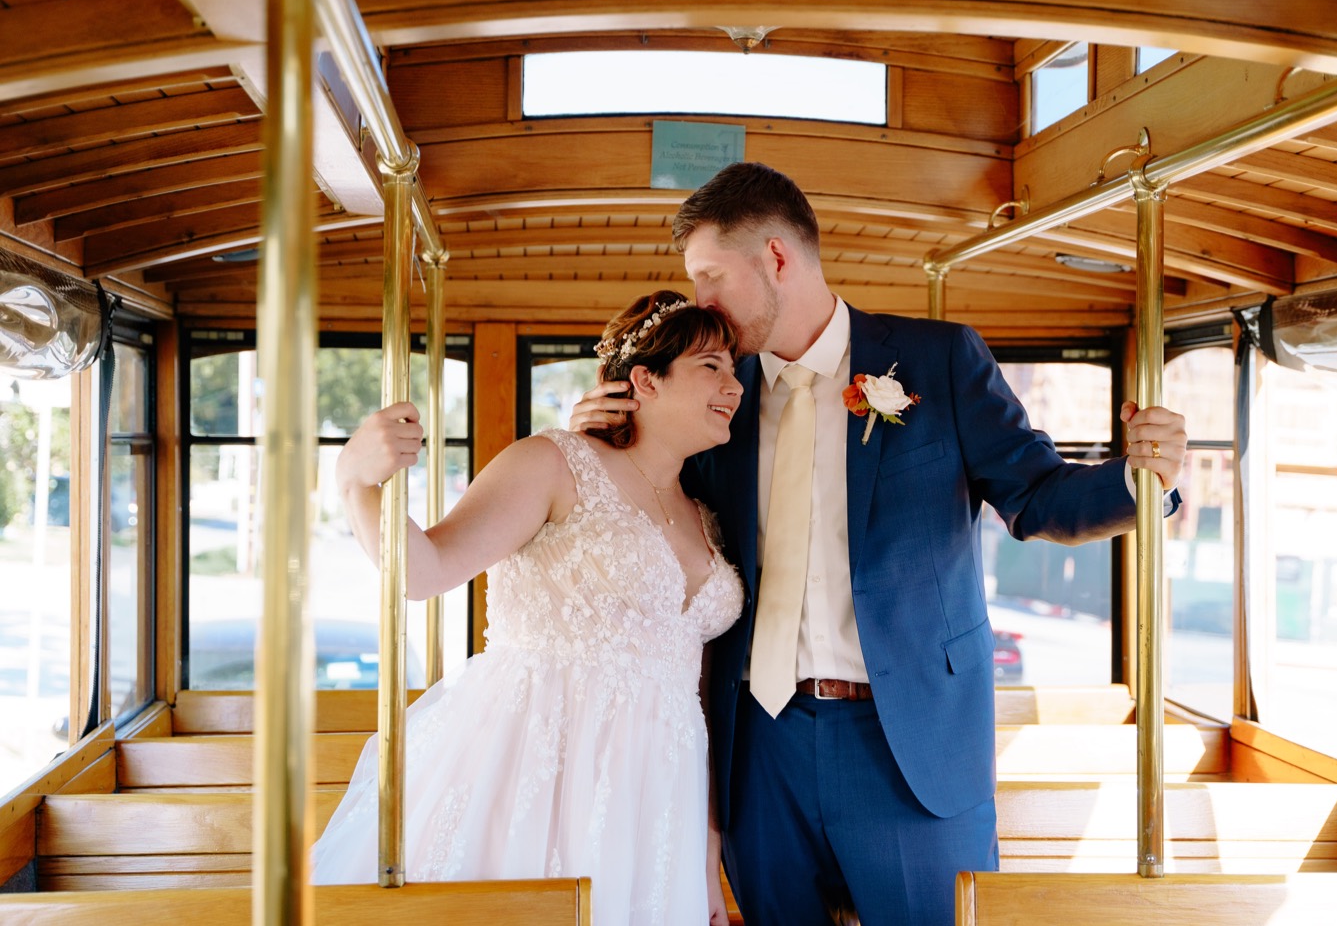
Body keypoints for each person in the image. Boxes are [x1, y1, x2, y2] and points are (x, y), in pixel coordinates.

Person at [569, 162, 1189, 925]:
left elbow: (1037, 497)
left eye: (709, 276)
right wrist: (601, 441)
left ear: (776, 257)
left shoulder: (941, 361)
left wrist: (1139, 478)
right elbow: (650, 505)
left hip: (910, 745)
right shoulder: (715, 397)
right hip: (761, 747)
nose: (701, 303)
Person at [312, 290, 746, 926]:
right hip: (536, 762)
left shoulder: (704, 514)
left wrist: (705, 863)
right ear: (646, 380)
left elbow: (698, 693)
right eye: (713, 366)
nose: (734, 385)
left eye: (734, 369)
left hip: (657, 793)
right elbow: (426, 571)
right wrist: (356, 481)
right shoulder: (552, 462)